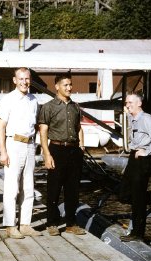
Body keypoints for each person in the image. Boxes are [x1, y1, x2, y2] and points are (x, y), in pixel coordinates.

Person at [0, 67, 42, 239]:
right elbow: (0, 127)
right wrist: (3, 152)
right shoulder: (8, 99)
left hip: (30, 145)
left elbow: (34, 126)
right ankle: (10, 225)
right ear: (15, 80)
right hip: (13, 144)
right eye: (21, 79)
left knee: (28, 186)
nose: (24, 82)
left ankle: (25, 224)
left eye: (27, 79)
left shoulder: (33, 100)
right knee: (12, 187)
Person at [38, 73, 86, 236]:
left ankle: (71, 224)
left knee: (73, 189)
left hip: (74, 150)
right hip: (56, 150)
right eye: (65, 85)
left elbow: (79, 128)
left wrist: (82, 146)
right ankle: (52, 223)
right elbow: (43, 131)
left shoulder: (75, 107)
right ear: (57, 86)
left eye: (70, 84)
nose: (69, 88)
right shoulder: (48, 107)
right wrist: (46, 154)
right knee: (54, 188)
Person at [119, 92, 151, 242]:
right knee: (124, 194)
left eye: (130, 102)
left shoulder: (146, 118)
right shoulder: (132, 118)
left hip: (142, 159)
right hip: (134, 156)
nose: (127, 105)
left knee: (137, 198)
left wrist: (147, 151)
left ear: (139, 104)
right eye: (126, 103)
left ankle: (138, 233)